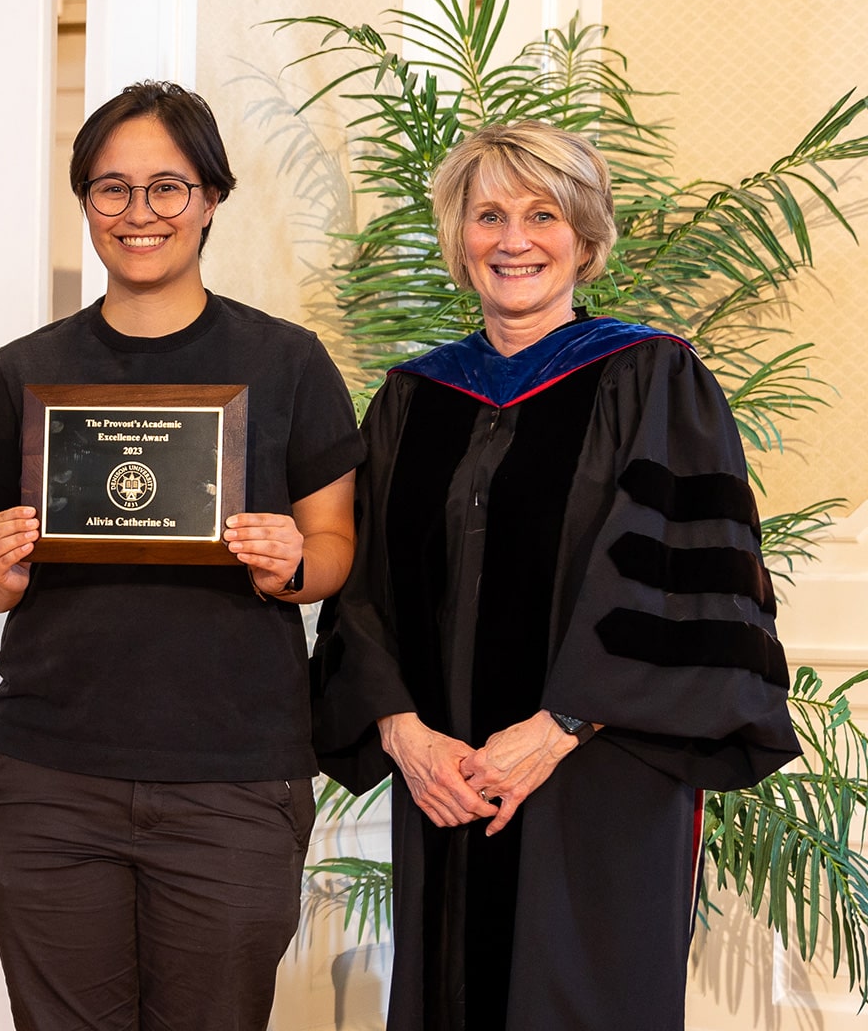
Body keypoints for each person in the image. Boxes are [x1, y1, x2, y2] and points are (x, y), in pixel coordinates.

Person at [309, 121, 802, 1030]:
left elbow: (681, 590)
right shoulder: (413, 399)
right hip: (447, 780)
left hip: (600, 775)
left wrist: (556, 726)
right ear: (459, 236)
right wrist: (407, 736)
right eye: (487, 214)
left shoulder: (652, 379)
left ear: (585, 234)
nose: (513, 239)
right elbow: (361, 586)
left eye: (542, 214)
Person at [0, 80, 364, 1030]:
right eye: (112, 189)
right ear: (86, 202)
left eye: (168, 187)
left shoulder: (288, 363)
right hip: (47, 780)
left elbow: (335, 549)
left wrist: (291, 560)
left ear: (212, 198)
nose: (140, 214)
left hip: (235, 781)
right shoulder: (25, 371)